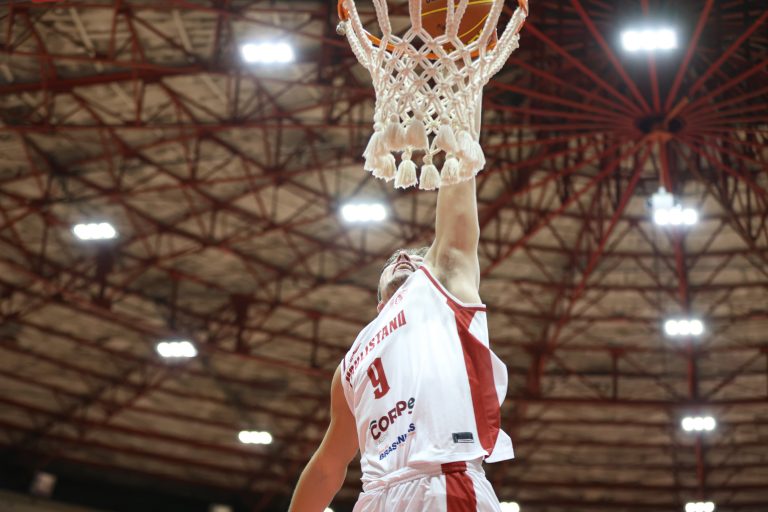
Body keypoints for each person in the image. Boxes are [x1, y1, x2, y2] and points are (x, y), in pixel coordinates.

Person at [289, 177, 514, 511]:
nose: (404, 256)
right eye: (392, 260)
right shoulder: (350, 365)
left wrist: (460, 157)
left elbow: (454, 234)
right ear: (379, 303)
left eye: (418, 259)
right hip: (375, 496)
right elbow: (327, 467)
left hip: (443, 480)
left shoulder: (441, 296)